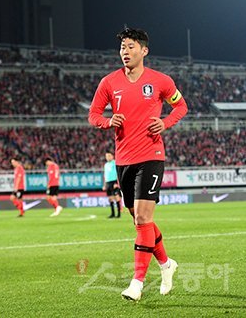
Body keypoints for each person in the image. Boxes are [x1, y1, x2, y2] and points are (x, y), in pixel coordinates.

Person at [88, 27, 188, 301]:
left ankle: (137, 283)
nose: (125, 52)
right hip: (124, 160)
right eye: (122, 47)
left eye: (130, 46)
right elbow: (94, 114)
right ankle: (167, 264)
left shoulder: (161, 81)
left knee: (143, 218)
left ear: (144, 50)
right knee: (139, 220)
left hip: (152, 156)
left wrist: (165, 123)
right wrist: (108, 122)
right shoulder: (109, 82)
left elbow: (181, 106)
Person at [102, 152, 122, 219]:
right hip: (108, 183)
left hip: (114, 182)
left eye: (109, 156)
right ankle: (112, 214)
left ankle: (118, 214)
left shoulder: (115, 163)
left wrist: (117, 183)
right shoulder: (106, 165)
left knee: (116, 198)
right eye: (106, 156)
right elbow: (105, 175)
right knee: (110, 199)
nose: (107, 157)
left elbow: (118, 173)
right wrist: (104, 185)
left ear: (112, 156)